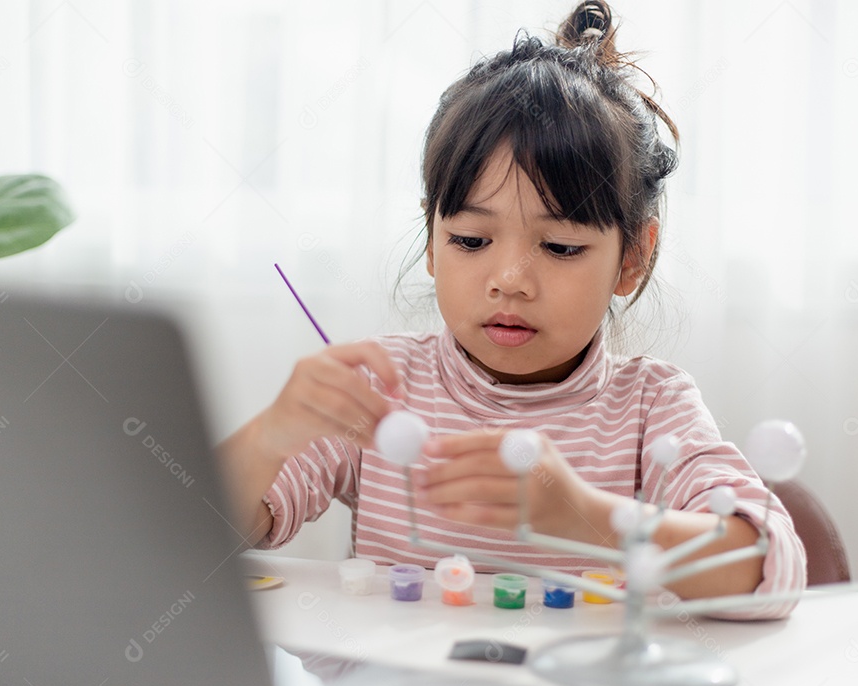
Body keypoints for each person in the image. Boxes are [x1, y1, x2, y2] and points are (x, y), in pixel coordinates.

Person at [218, 0, 805, 619]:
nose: (509, 281)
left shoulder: (650, 408)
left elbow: (772, 571)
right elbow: (192, 541)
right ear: (431, 242)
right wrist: (267, 439)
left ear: (632, 256)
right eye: (471, 240)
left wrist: (583, 514)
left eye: (560, 247)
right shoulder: (381, 387)